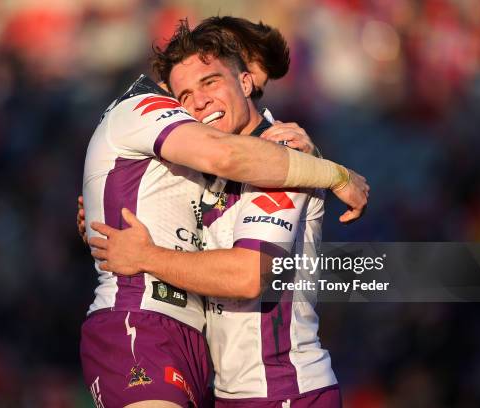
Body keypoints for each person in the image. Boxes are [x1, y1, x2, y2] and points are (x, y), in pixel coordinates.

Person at [81, 20, 367, 408]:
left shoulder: (284, 154)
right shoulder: (207, 174)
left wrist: (336, 175)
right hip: (230, 392)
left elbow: (248, 275)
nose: (198, 101)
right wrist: (102, 214)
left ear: (246, 82)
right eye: (184, 94)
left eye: (210, 82)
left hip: (284, 391)